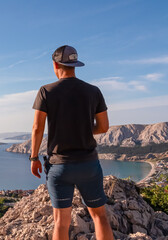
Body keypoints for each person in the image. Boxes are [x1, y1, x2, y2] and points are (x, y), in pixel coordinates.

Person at [29, 45, 114, 240]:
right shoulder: (94, 91)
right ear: (75, 64)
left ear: (55, 64)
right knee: (100, 217)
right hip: (89, 165)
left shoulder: (46, 91)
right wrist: (82, 129)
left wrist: (34, 157)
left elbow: (37, 128)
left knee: (61, 222)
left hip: (60, 167)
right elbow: (103, 127)